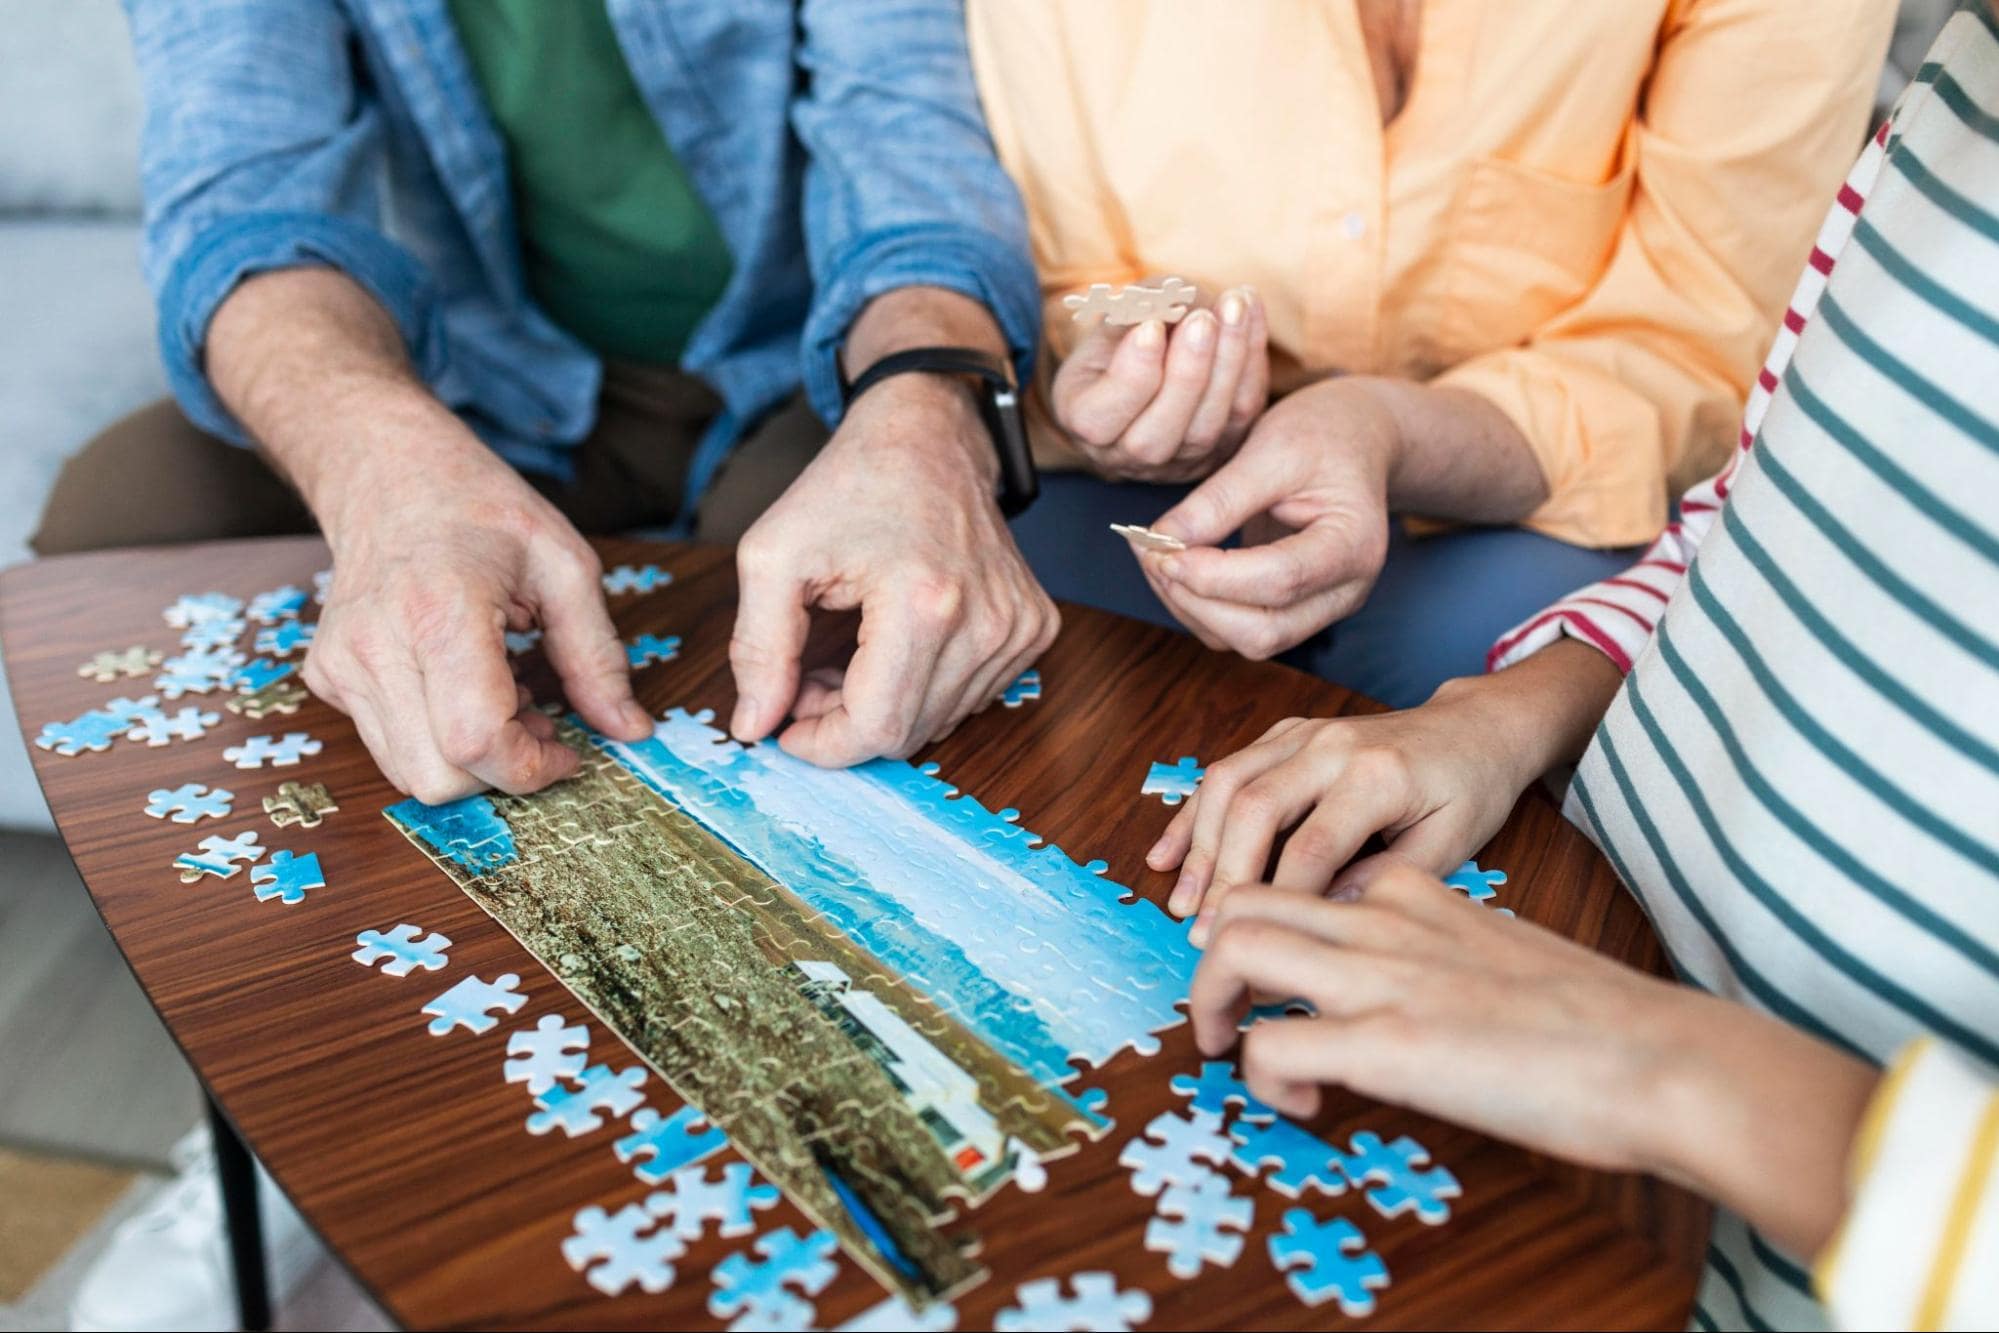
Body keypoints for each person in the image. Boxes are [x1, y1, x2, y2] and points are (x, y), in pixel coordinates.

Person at [1154, 5, 1999, 1325]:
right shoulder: (1958, 81)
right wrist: (1497, 718)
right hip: (1545, 1014)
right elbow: (1750, 514)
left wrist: (1672, 1072)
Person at [34, 0, 1057, 799]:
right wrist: (382, 471)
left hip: (805, 366)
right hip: (487, 379)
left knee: (807, 660)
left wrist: (924, 414)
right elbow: (240, 205)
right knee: (124, 513)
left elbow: (910, 150)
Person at [971, 0, 1896, 706]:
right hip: (1116, 492)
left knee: (1541, 707)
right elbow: (1072, 276)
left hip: (1514, 511)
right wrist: (1129, 350)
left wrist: (1385, 433)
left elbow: (1692, 344)